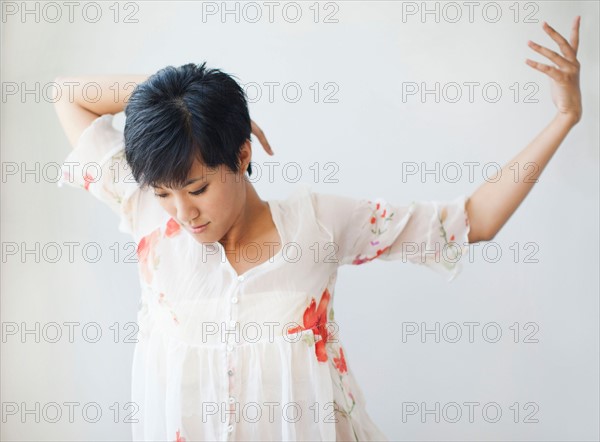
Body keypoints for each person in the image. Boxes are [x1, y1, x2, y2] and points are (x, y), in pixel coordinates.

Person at [53, 17, 582, 441]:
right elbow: (66, 95)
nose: (182, 214)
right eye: (165, 194)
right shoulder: (146, 209)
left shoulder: (318, 226)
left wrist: (564, 117)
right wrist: (169, 99)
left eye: (196, 189)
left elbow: (470, 223)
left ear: (241, 156)